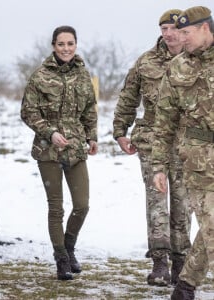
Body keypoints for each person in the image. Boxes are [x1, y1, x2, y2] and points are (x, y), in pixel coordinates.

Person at [112, 9, 192, 286]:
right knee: (157, 201)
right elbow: (128, 97)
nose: (168, 34)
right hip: (152, 139)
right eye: (164, 29)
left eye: (173, 29)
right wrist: (120, 132)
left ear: (184, 31)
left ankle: (182, 261)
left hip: (186, 143)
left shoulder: (196, 59)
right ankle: (160, 262)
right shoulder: (146, 62)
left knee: (183, 202)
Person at [20, 25, 98, 280]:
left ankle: (69, 247)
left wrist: (92, 137)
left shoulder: (84, 75)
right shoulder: (40, 76)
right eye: (61, 44)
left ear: (76, 45)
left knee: (82, 206)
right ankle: (61, 258)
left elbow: (89, 110)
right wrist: (50, 132)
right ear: (53, 45)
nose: (66, 48)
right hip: (48, 151)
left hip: (75, 149)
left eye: (70, 44)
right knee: (56, 208)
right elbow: (28, 112)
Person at [152, 6, 214, 300]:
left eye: (186, 33)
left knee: (210, 228)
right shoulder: (177, 67)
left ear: (205, 28)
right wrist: (159, 166)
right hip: (200, 160)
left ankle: (186, 285)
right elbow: (164, 122)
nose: (180, 38)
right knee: (213, 227)